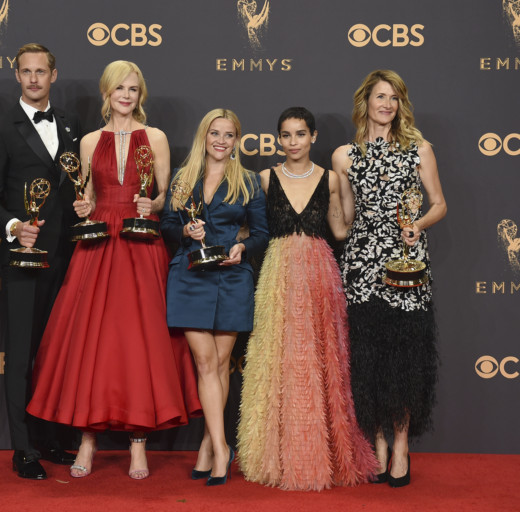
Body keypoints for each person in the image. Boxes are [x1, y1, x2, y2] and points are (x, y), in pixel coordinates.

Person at [25, 60, 201, 480]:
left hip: (141, 243)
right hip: (99, 243)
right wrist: (83, 206)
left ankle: (138, 442)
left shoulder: (155, 137)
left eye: (133, 89)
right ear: (106, 93)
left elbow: (164, 195)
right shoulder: (88, 141)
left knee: (140, 342)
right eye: (119, 88)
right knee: (94, 342)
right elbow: (84, 193)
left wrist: (152, 205)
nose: (126, 95)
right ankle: (87, 438)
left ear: (141, 95)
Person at [237, 107, 377, 490]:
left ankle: (325, 455)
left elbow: (340, 228)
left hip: (320, 273)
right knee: (277, 358)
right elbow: (252, 228)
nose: (293, 142)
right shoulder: (264, 178)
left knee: (321, 356)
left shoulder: (331, 179)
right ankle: (274, 456)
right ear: (278, 139)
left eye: (300, 134)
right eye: (286, 135)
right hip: (277, 275)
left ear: (313, 137)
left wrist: (366, 203)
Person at [332, 70, 447, 487]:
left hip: (406, 262)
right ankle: (377, 444)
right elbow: (344, 222)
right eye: (381, 96)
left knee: (406, 358)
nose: (387, 104)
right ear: (365, 101)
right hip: (361, 265)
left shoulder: (419, 149)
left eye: (394, 98)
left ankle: (401, 446)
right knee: (370, 358)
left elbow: (438, 204)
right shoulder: (344, 156)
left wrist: (417, 225)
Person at [0, 43, 81, 479]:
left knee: (54, 353)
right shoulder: (0, 128)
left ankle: (49, 438)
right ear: (16, 76)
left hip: (67, 256)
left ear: (54, 75)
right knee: (20, 354)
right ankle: (22, 449)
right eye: (26, 72)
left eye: (41, 71)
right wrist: (14, 225)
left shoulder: (73, 127)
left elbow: (75, 188)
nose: (34, 79)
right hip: (21, 257)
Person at [161, 108, 269, 486]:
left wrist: (243, 247)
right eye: (214, 134)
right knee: (206, 363)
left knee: (221, 364)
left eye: (228, 135)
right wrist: (185, 233)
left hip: (232, 275)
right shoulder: (182, 177)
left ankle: (209, 444)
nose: (221, 141)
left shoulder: (250, 182)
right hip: (189, 275)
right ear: (203, 138)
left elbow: (260, 233)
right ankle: (223, 449)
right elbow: (167, 226)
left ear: (236, 141)